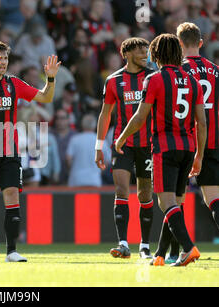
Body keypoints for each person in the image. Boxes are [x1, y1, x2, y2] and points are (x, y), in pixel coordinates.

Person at [0, 41, 60, 262]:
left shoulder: (13, 83)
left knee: (12, 195)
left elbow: (46, 97)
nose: (3, 63)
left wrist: (51, 78)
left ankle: (11, 251)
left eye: (6, 59)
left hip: (9, 151)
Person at [115, 34, 207, 267]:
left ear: (157, 54)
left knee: (166, 204)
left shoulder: (154, 79)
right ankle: (159, 254)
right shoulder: (192, 81)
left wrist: (122, 138)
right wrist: (199, 155)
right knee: (175, 202)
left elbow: (139, 117)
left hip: (165, 148)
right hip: (188, 147)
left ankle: (188, 248)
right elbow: (202, 123)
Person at [156, 22, 219, 264]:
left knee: (172, 198)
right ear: (201, 43)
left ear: (178, 44)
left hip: (184, 141)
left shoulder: (177, 71)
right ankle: (163, 254)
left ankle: (177, 251)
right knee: (210, 199)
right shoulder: (216, 70)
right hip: (214, 140)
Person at [95, 37, 155, 259]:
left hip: (148, 145)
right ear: (127, 54)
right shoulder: (113, 80)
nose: (145, 55)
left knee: (144, 194)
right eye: (141, 51)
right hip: (122, 144)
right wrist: (98, 146)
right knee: (121, 190)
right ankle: (123, 244)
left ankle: (145, 245)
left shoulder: (152, 77)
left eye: (146, 51)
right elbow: (105, 114)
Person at [68, 113, 108, 187]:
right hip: (94, 180)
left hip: (76, 179)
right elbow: (107, 161)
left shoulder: (75, 139)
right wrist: (99, 171)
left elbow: (69, 159)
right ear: (96, 125)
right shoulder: (102, 141)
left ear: (82, 125)